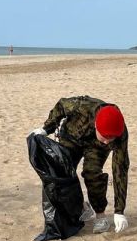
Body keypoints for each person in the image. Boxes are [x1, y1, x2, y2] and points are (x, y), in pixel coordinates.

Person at [32, 96, 130, 233]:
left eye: (111, 138)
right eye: (106, 137)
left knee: (92, 173)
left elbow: (120, 168)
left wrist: (119, 211)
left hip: (96, 147)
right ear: (96, 125)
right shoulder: (82, 107)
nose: (108, 142)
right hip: (72, 137)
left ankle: (100, 216)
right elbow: (61, 105)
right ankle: (81, 207)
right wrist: (46, 128)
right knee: (61, 171)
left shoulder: (119, 133)